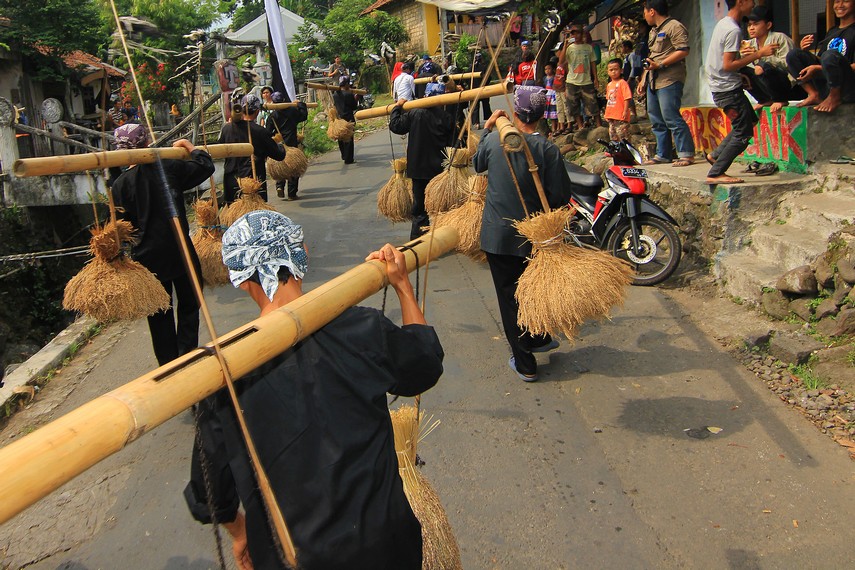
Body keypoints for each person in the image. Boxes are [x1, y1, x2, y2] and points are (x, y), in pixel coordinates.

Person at [185, 210, 444, 570]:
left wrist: (242, 533)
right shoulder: (361, 328)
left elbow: (209, 490)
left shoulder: (223, 375)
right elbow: (424, 366)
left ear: (241, 280)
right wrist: (402, 286)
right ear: (301, 256)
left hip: (289, 557)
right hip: (383, 544)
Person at [473, 86, 572, 381]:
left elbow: (477, 165)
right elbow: (560, 196)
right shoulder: (548, 149)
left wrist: (487, 128)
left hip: (498, 236)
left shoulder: (492, 142)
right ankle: (538, 338)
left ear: (515, 113)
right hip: (536, 237)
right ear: (542, 115)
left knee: (510, 297)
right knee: (531, 290)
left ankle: (526, 361)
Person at [110, 124, 215, 366]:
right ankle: (187, 352)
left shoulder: (120, 185)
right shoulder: (167, 167)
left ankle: (169, 365)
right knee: (190, 301)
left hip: (147, 256)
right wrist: (191, 148)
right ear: (147, 142)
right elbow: (205, 166)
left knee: (159, 312)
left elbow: (121, 227)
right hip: (178, 247)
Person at [705, 0, 777, 185]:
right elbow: (728, 64)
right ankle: (716, 172)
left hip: (724, 86)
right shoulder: (733, 30)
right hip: (728, 90)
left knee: (749, 121)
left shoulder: (724, 24)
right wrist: (759, 54)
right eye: (750, 1)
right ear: (741, 2)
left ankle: (716, 155)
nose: (753, 4)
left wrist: (739, 74)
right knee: (743, 134)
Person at [388, 84, 456, 240]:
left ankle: (418, 240)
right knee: (440, 205)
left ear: (425, 96)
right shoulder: (446, 118)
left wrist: (397, 108)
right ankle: (441, 238)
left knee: (420, 207)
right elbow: (453, 144)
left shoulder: (415, 113)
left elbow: (396, 126)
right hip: (439, 170)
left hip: (417, 169)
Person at [639, 0, 695, 166]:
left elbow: (683, 50)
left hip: (669, 78)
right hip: (652, 79)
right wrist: (643, 78)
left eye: (644, 12)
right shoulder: (654, 31)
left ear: (652, 11)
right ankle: (663, 154)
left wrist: (661, 64)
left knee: (671, 116)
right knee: (656, 118)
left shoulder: (674, 26)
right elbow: (652, 56)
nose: (644, 16)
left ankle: (686, 153)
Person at [786, 0, 855, 113]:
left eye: (846, 1)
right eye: (837, 1)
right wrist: (805, 52)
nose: (840, 5)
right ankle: (814, 94)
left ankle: (834, 97)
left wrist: (819, 68)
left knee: (830, 55)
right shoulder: (832, 31)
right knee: (794, 54)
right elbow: (821, 59)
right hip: (827, 83)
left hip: (847, 86)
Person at [216, 93, 286, 203]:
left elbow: (219, 149)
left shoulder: (227, 129)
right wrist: (281, 145)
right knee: (254, 216)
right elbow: (279, 155)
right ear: (257, 111)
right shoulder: (260, 131)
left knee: (235, 217)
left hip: (231, 182)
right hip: (253, 182)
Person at [738, 6, 802, 112]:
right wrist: (745, 57)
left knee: (764, 66)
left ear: (768, 25)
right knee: (742, 72)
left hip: (789, 86)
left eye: (756, 24)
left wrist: (761, 56)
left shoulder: (780, 38)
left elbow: (790, 64)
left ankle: (781, 99)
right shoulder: (750, 44)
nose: (751, 28)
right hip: (767, 87)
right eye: (749, 25)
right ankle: (764, 99)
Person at [266, 92, 309, 200]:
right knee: (294, 168)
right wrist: (300, 105)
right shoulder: (292, 111)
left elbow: (267, 132)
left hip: (279, 147)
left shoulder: (272, 116)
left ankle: (279, 185)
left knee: (280, 166)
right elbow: (303, 116)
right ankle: (291, 193)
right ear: (284, 100)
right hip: (292, 145)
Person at [565, 25, 601, 129]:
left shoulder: (588, 48)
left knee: (592, 103)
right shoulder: (569, 48)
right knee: (573, 106)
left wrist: (596, 79)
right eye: (573, 33)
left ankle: (599, 126)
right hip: (572, 81)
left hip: (586, 81)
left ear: (582, 34)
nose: (575, 35)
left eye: (577, 33)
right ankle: (580, 126)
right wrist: (565, 45)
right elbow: (561, 61)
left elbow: (593, 64)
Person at [333, 75, 360, 164]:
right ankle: (349, 159)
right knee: (348, 139)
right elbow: (354, 106)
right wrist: (355, 98)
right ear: (347, 84)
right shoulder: (348, 94)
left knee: (341, 138)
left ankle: (344, 155)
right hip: (348, 118)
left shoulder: (335, 94)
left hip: (339, 119)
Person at [604, 58, 633, 141]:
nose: (613, 72)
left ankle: (627, 152)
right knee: (613, 135)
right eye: (611, 70)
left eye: (616, 69)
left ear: (621, 70)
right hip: (612, 116)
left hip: (621, 116)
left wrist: (625, 110)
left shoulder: (623, 83)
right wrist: (607, 113)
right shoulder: (609, 85)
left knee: (623, 136)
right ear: (608, 72)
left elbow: (627, 98)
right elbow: (608, 100)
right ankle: (616, 152)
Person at [469, 51, 493, 129]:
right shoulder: (484, 67)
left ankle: (476, 123)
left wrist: (470, 85)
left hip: (475, 88)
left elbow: (467, 78)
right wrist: (485, 84)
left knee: (475, 106)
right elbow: (489, 77)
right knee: (486, 105)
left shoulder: (471, 67)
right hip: (483, 88)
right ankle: (489, 120)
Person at [543, 63, 559, 136]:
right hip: (547, 96)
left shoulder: (554, 78)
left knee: (555, 111)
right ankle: (553, 128)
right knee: (550, 113)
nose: (547, 71)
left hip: (553, 95)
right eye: (546, 69)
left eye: (549, 69)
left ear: (552, 69)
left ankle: (557, 127)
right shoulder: (545, 78)